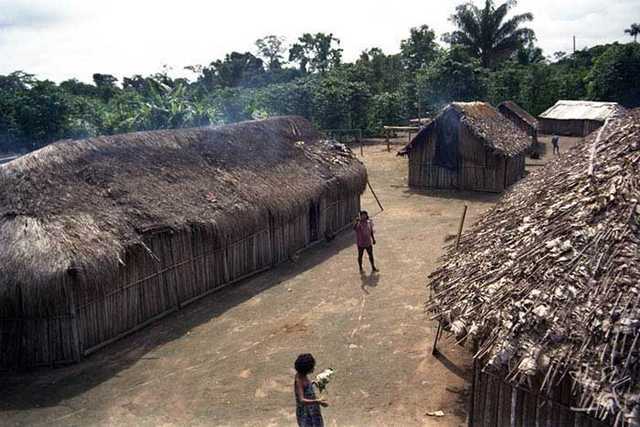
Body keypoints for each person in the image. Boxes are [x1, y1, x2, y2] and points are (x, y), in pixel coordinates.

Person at [294, 353, 327, 427]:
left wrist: (312, 383)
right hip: (306, 413)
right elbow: (302, 400)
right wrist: (318, 401)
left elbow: (305, 386)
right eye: (312, 367)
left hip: (312, 409)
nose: (313, 368)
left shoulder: (302, 375)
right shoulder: (299, 380)